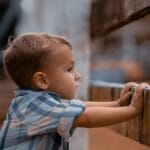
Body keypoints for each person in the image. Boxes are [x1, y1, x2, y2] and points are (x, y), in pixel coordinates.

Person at [0, 33, 148, 150]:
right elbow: (86, 117)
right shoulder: (33, 107)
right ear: (42, 81)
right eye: (69, 69)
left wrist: (117, 104)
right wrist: (132, 110)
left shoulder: (38, 103)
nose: (77, 75)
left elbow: (81, 107)